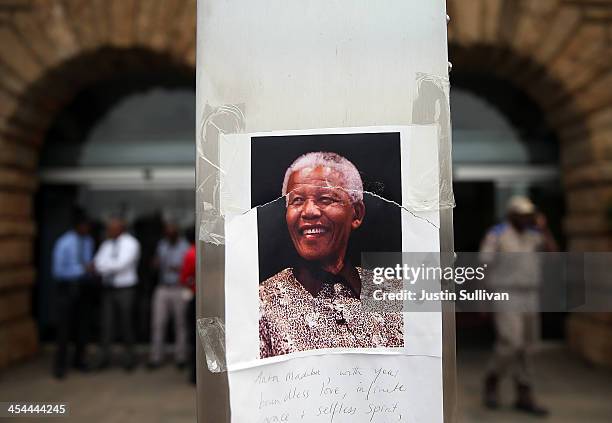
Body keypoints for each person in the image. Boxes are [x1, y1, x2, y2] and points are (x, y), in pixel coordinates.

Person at [259, 151, 403, 358]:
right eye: (297, 200)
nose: (309, 211)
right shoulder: (261, 303)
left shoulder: (393, 294)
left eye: (325, 199)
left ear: (357, 214)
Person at [480, 195, 558, 417]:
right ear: (512, 215)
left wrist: (544, 229)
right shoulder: (497, 234)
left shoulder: (535, 236)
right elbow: (484, 266)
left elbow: (554, 255)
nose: (526, 219)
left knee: (529, 346)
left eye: (529, 215)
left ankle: (524, 394)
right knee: (511, 342)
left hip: (530, 295)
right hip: (505, 294)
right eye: (522, 215)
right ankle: (492, 379)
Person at [51, 210, 95, 379]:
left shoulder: (88, 241)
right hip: (67, 288)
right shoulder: (64, 242)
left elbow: (89, 262)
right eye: (85, 226)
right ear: (77, 226)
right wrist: (81, 270)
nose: (87, 229)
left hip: (84, 289)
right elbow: (57, 271)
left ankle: (79, 360)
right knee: (64, 329)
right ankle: (60, 366)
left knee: (82, 328)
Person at [93, 217, 141, 370]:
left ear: (120, 228)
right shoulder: (107, 244)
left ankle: (129, 359)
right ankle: (103, 358)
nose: (108, 231)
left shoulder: (131, 243)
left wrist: (104, 266)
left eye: (111, 228)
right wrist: (105, 266)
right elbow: (97, 263)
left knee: (126, 323)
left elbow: (122, 264)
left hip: (125, 288)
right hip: (109, 289)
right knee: (106, 324)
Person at [148, 222, 190, 369]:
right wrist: (156, 264)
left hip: (179, 288)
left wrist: (178, 268)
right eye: (167, 232)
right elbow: (156, 264)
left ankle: (181, 357)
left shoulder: (184, 246)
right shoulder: (162, 245)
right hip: (163, 287)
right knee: (158, 323)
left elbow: (189, 267)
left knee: (180, 323)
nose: (169, 235)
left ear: (177, 232)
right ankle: (156, 357)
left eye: (172, 232)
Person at [180, 226, 197, 384]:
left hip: (196, 297)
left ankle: (194, 374)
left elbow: (185, 278)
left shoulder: (191, 253)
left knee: (194, 337)